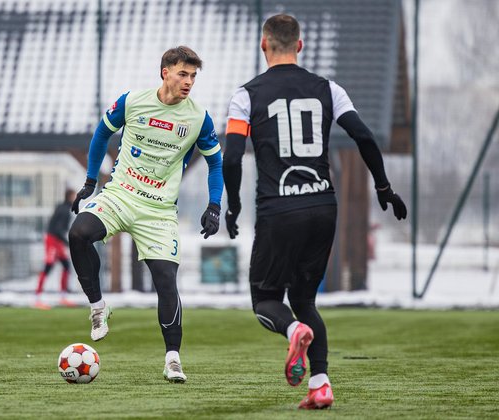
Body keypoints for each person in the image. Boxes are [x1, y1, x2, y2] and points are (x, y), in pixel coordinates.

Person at [222, 14, 407, 409]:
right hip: (323, 207)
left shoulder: (246, 95)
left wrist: (233, 205)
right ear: (300, 46)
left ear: (263, 45)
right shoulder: (328, 89)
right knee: (305, 299)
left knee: (266, 301)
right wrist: (383, 186)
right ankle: (320, 385)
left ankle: (293, 332)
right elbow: (363, 136)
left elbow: (233, 157)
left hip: (279, 210)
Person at [69, 46, 223, 383]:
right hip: (120, 195)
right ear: (165, 72)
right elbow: (101, 134)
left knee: (165, 279)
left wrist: (214, 204)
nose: (188, 82)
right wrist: (90, 182)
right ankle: (98, 307)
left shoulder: (199, 118)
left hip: (158, 210)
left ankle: (172, 359)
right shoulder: (132, 101)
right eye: (183, 74)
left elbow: (215, 162)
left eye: (193, 76)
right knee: (78, 233)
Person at [35, 188, 77, 309]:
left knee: (66, 266)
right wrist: (66, 243)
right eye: (75, 195)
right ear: (70, 196)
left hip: (57, 240)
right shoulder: (64, 210)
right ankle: (37, 298)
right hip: (52, 240)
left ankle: (63, 296)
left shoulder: (63, 207)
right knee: (48, 266)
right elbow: (58, 229)